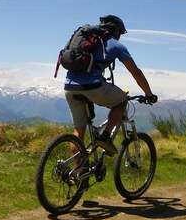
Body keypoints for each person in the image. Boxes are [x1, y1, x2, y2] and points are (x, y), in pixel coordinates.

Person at [64, 15, 157, 156]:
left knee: (78, 132)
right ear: (117, 32)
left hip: (69, 87)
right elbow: (135, 72)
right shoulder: (116, 45)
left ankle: (78, 173)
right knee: (121, 101)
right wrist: (149, 94)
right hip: (92, 86)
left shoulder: (88, 40)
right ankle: (105, 137)